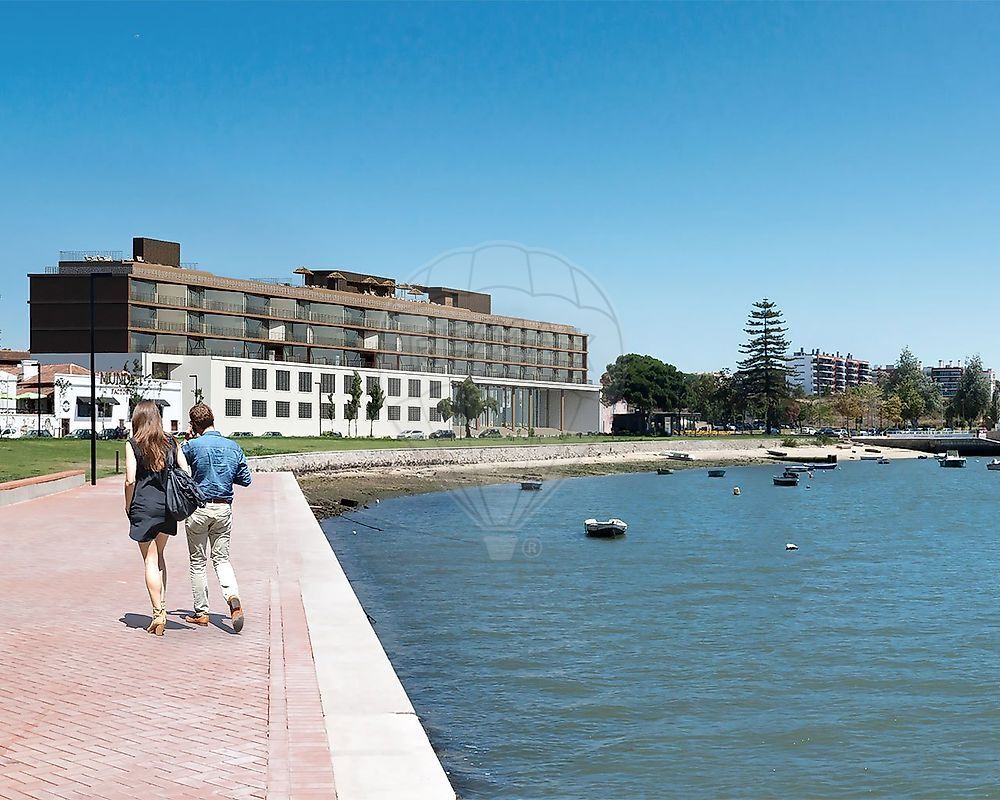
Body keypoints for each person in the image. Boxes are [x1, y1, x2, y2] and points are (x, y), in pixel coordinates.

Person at [181, 403, 252, 632]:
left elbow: (177, 464)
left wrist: (186, 440)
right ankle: (232, 596)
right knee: (221, 559)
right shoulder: (233, 446)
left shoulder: (193, 446)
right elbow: (246, 479)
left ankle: (201, 612)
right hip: (223, 508)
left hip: (199, 509)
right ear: (213, 419)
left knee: (198, 562)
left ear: (194, 425)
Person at [125, 399, 190, 636]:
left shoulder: (133, 444)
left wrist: (128, 505)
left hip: (143, 506)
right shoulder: (171, 442)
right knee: (160, 555)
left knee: (149, 560)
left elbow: (130, 479)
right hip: (167, 507)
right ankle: (162, 605)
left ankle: (158, 612)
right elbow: (186, 471)